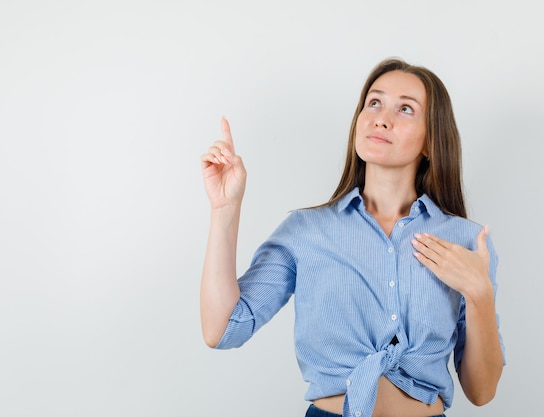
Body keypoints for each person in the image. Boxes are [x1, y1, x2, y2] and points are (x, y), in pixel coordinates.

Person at [200, 58, 505, 417]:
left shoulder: (466, 241)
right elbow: (222, 329)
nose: (381, 117)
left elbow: (481, 391)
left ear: (430, 140)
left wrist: (479, 293)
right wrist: (225, 210)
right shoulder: (306, 230)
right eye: (374, 102)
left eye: (405, 108)